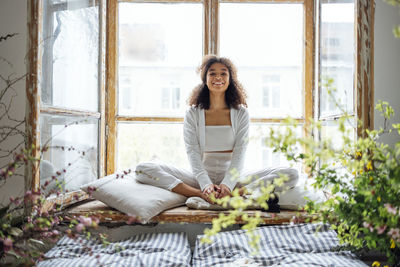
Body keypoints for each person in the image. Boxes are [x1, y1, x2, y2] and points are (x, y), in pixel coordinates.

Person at [135, 55, 298, 203]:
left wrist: (227, 186)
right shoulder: (192, 113)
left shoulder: (241, 113)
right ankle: (198, 194)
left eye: (223, 73)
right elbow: (192, 152)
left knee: (291, 174)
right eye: (212, 73)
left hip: (235, 179)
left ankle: (237, 193)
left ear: (230, 79)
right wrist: (205, 186)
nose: (218, 77)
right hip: (199, 177)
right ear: (205, 79)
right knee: (143, 169)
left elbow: (240, 152)